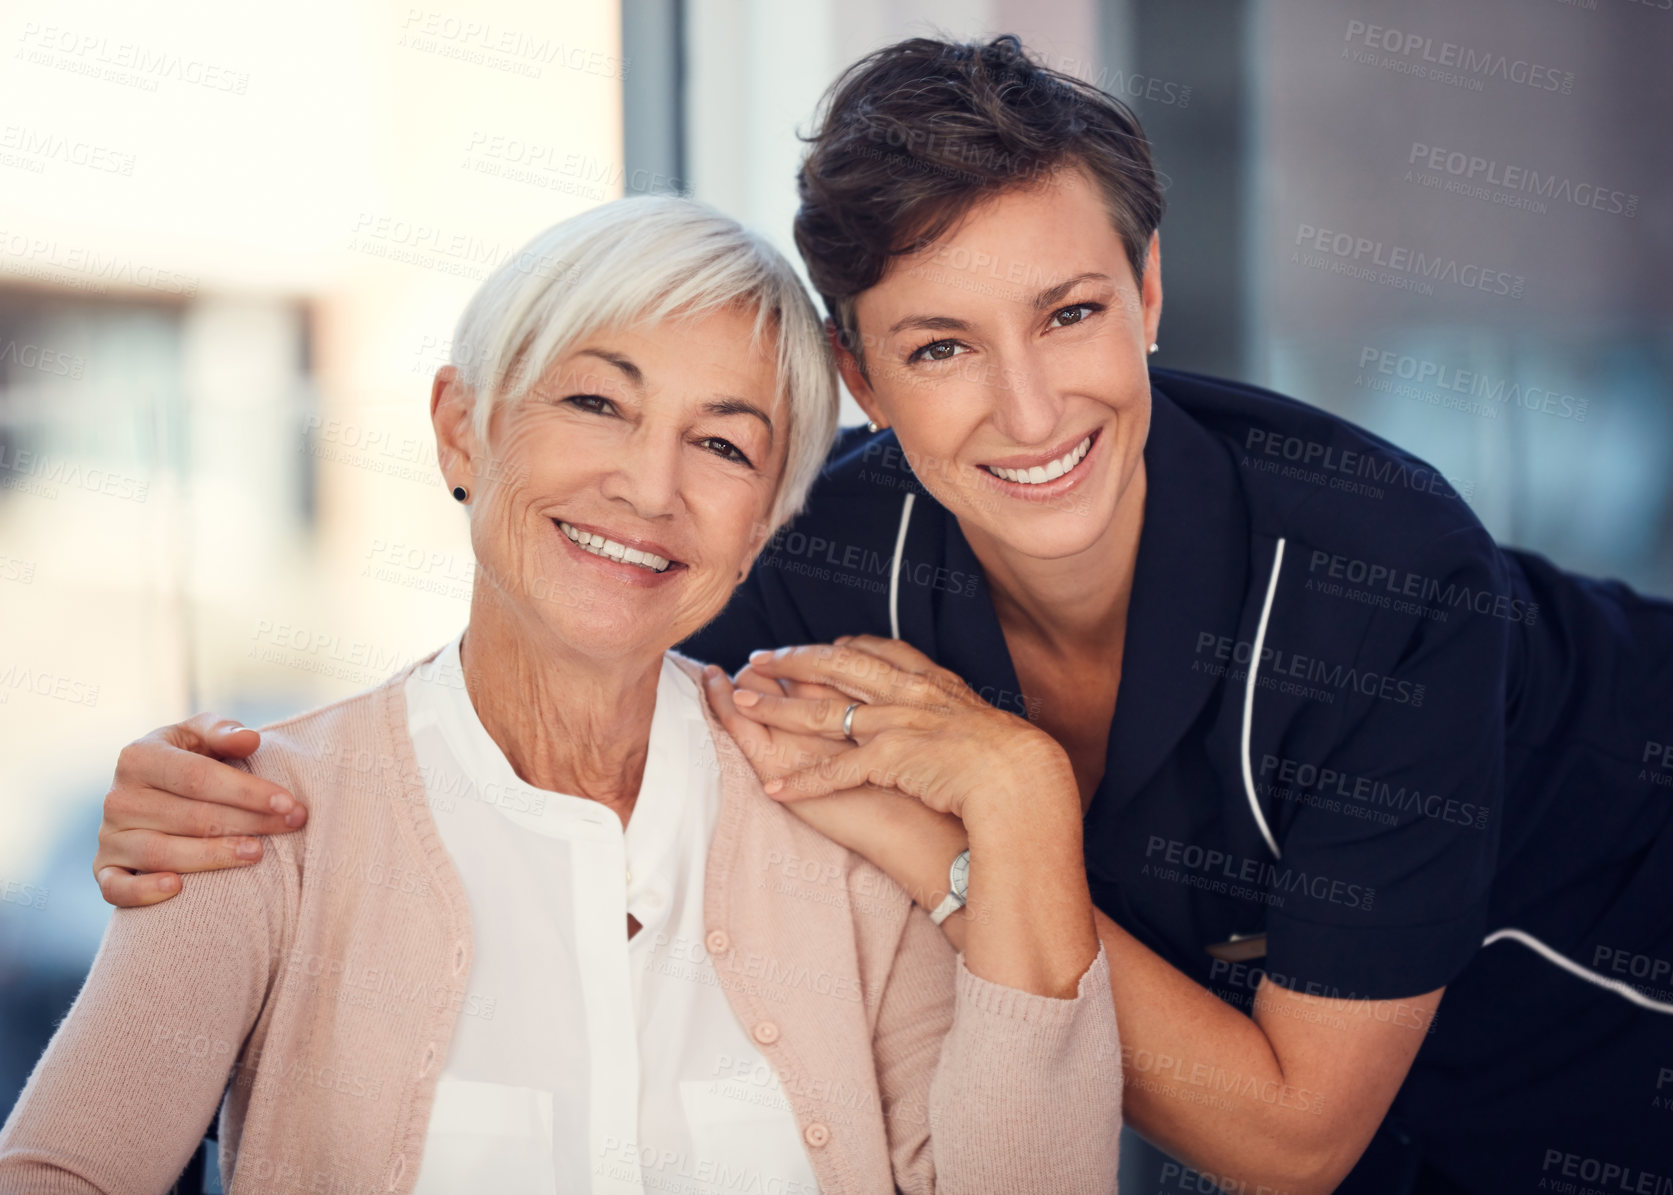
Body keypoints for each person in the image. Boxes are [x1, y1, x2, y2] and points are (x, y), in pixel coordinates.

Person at [78, 33, 1673, 1195]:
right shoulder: (823, 531)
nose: (1028, 404)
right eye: (940, 348)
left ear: (1152, 295)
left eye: (1071, 313)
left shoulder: (1373, 580)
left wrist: (978, 843)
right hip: (1256, 1064)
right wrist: (249, 787)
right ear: (856, 378)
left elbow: (1289, 1132)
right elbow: (572, 617)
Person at [0, 195, 1122, 1194]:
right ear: (461, 431)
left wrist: (1020, 799)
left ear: (764, 524)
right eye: (594, 401)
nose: (647, 484)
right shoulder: (260, 822)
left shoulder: (844, 809)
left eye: (724, 446)